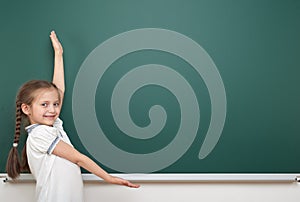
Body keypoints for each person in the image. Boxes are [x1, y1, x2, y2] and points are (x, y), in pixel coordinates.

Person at [6, 31, 140, 202]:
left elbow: (59, 91)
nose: (53, 109)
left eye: (55, 104)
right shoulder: (40, 134)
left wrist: (59, 54)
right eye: (44, 105)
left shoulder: (53, 128)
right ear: (26, 109)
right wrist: (108, 178)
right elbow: (78, 158)